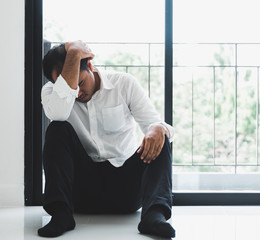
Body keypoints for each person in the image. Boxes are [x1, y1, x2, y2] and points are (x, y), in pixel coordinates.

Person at [38, 40, 175, 238]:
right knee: (57, 129)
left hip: (126, 188)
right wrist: (74, 54)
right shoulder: (52, 93)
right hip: (82, 192)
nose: (77, 93)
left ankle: (154, 216)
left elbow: (153, 124)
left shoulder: (124, 83)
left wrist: (157, 128)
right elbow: (59, 113)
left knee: (160, 134)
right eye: (70, 87)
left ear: (91, 67)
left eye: (81, 82)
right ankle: (61, 214)